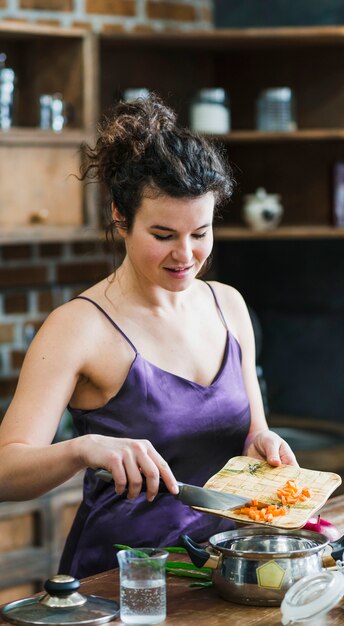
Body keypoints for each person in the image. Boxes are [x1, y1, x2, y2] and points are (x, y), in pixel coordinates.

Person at [0, 94, 297, 579]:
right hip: (123, 578)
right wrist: (83, 449)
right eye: (163, 235)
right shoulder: (78, 326)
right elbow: (5, 472)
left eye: (200, 233)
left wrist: (262, 443)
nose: (185, 255)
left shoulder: (229, 306)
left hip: (223, 568)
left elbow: (252, 435)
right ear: (120, 217)